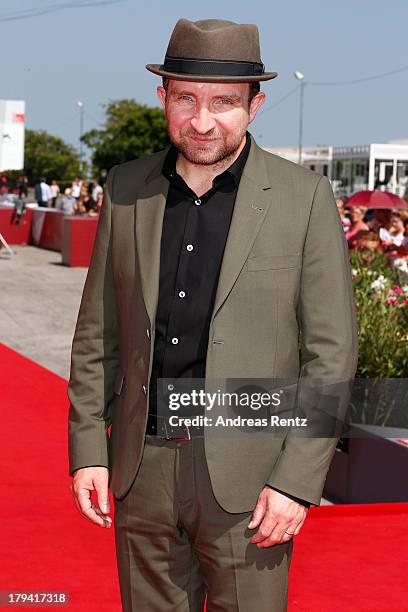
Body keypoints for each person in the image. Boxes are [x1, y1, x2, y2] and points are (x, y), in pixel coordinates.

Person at [68, 18, 358, 612]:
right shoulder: (125, 190)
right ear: (163, 97)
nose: (202, 121)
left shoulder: (303, 198)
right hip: (140, 471)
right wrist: (88, 451)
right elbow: (98, 334)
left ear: (256, 104)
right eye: (186, 100)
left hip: (252, 479)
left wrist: (297, 484)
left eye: (224, 102)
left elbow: (330, 355)